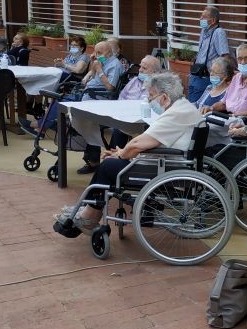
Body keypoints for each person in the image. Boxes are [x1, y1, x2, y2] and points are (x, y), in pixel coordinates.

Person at [55, 73, 203, 234]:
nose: (149, 100)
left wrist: (121, 154)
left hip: (166, 168)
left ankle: (88, 217)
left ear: (165, 97)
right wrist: (123, 152)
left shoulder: (176, 114)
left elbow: (139, 144)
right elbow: (144, 142)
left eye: (151, 96)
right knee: (110, 164)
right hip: (169, 163)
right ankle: (86, 210)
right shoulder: (183, 107)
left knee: (107, 166)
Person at [77, 41, 125, 174]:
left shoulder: (114, 64)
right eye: (95, 52)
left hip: (101, 99)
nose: (97, 55)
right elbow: (91, 77)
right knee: (69, 115)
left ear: (109, 52)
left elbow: (110, 87)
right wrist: (94, 65)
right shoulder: (101, 61)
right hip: (89, 95)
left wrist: (100, 70)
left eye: (100, 53)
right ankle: (91, 157)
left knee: (84, 123)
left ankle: (93, 160)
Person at [106, 55, 163, 149]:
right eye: (140, 67)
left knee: (119, 129)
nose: (140, 70)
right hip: (126, 116)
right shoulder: (134, 80)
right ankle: (114, 153)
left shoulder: (158, 85)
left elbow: (157, 107)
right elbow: (122, 97)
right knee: (117, 127)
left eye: (144, 68)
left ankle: (120, 154)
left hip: (145, 120)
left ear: (155, 72)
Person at [187, 5, 230, 103]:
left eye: (204, 17)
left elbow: (225, 57)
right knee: (190, 104)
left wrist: (221, 77)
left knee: (198, 107)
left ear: (213, 20)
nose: (200, 19)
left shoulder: (219, 32)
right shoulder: (204, 31)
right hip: (195, 75)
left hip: (206, 77)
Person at [211, 44, 247, 118]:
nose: (243, 62)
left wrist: (234, 116)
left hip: (243, 120)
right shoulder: (236, 78)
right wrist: (211, 108)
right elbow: (223, 103)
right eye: (240, 59)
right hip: (228, 118)